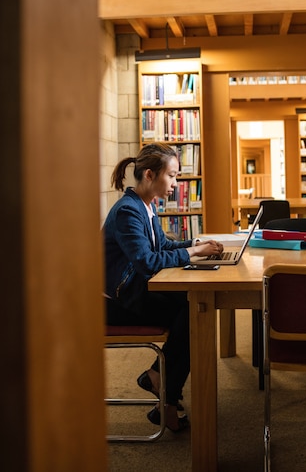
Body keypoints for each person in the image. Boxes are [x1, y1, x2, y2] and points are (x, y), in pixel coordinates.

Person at [103, 142, 224, 432]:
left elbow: (162, 246)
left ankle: (163, 389)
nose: (176, 182)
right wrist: (194, 254)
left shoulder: (145, 206)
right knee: (193, 308)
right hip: (116, 302)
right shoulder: (127, 212)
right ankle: (163, 388)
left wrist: (195, 245)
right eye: (172, 175)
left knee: (193, 307)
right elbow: (147, 261)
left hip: (134, 290)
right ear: (149, 175)